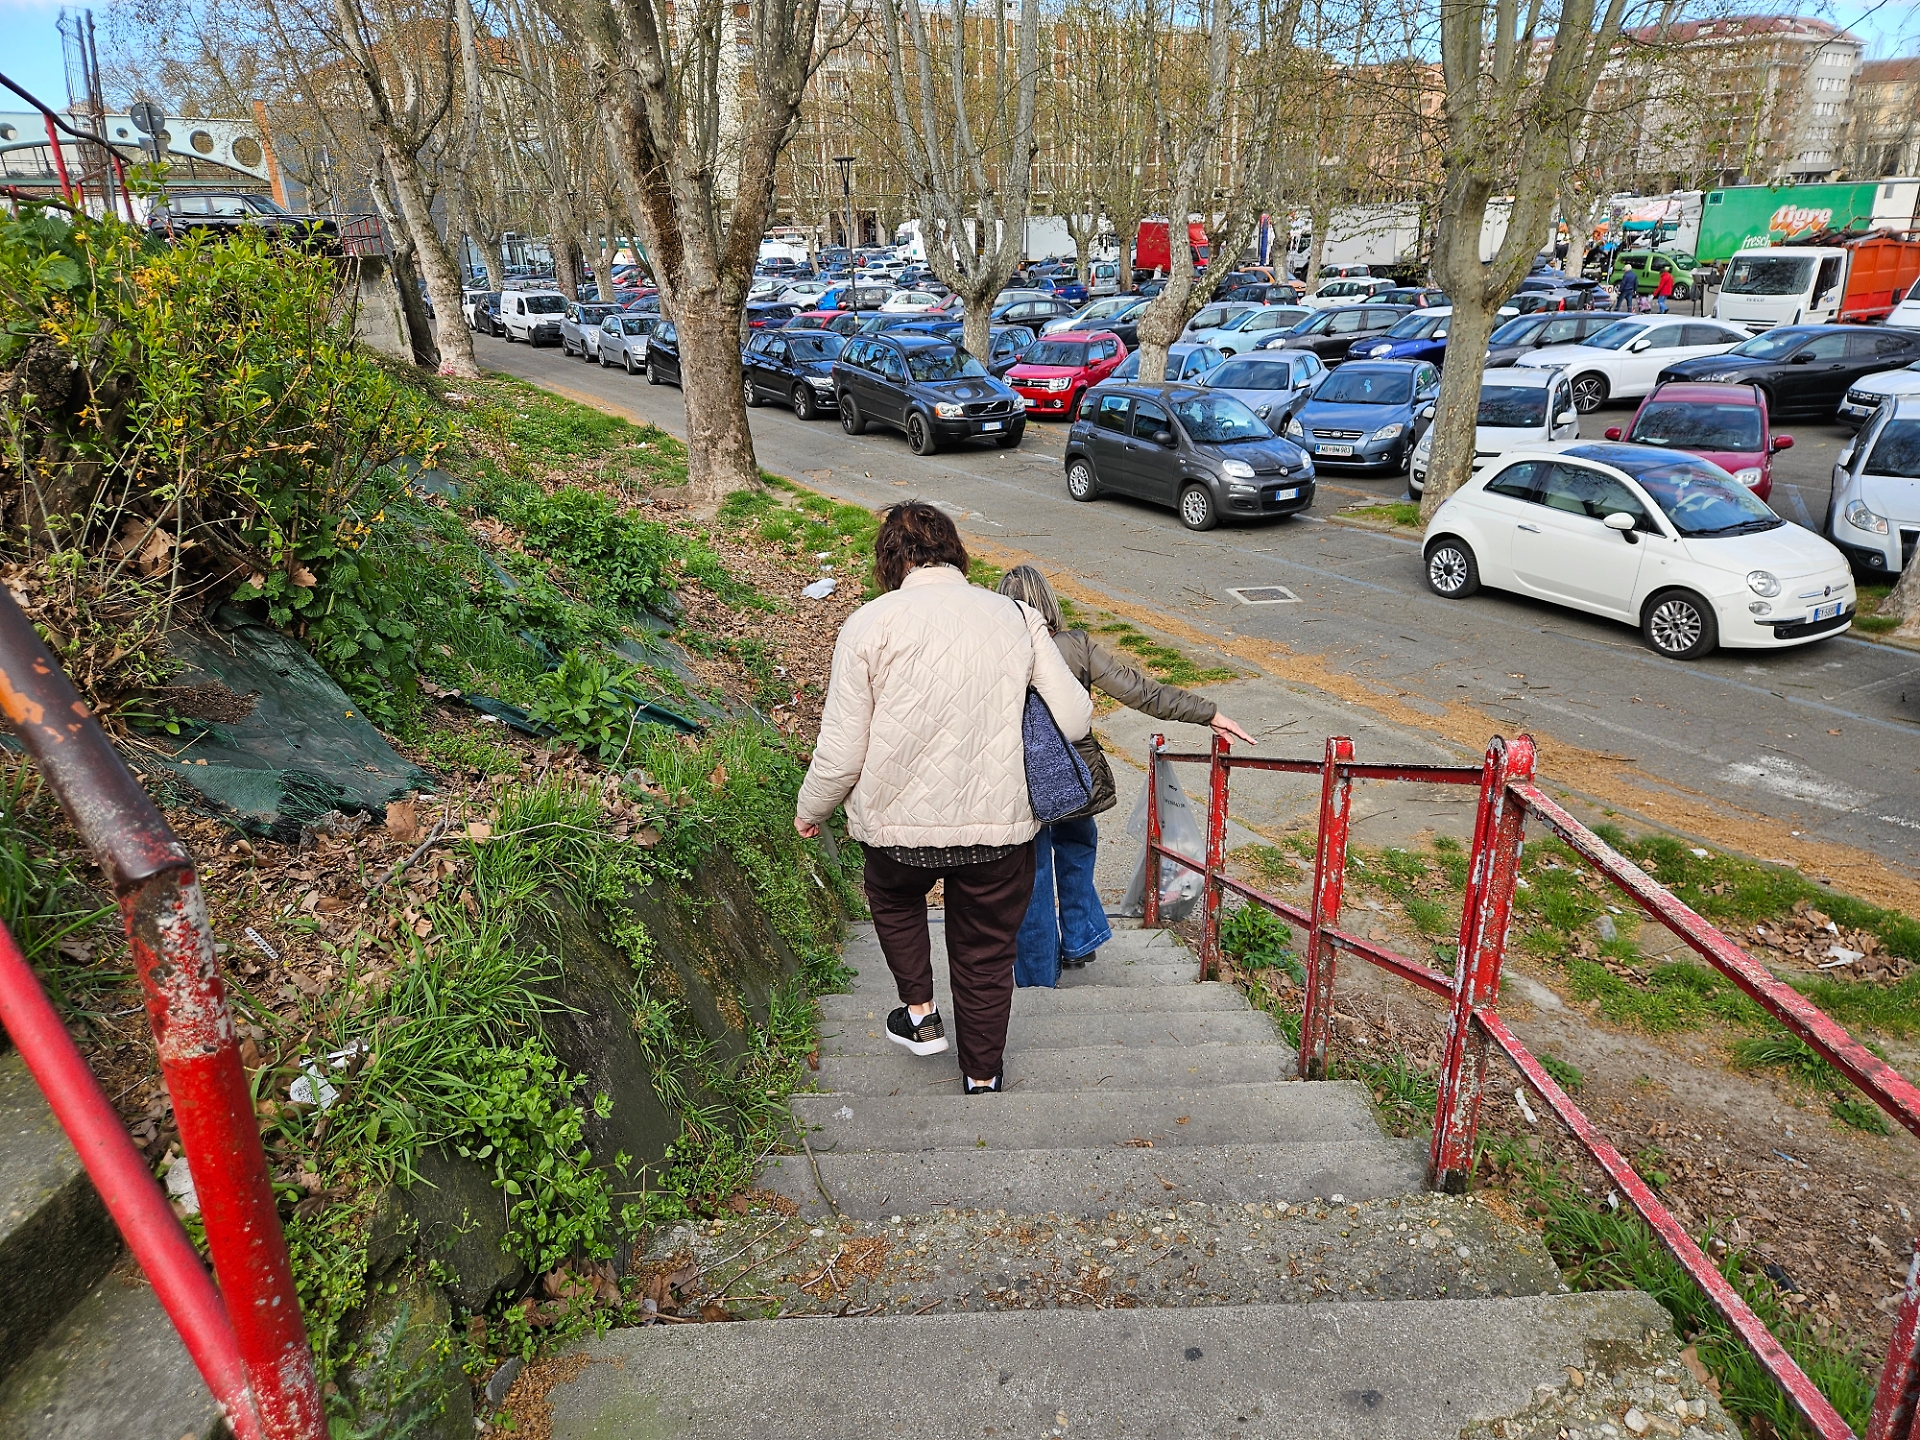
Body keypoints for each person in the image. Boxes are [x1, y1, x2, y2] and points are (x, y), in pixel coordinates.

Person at [795, 504, 1091, 1094]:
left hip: (896, 829)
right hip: (999, 829)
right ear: (955, 551)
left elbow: (842, 749)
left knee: (893, 896)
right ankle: (982, 1073)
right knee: (984, 950)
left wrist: (812, 810)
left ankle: (921, 1011)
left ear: (888, 560)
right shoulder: (1016, 615)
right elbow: (1076, 719)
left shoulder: (867, 624)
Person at [995, 567, 1255, 988]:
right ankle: (1080, 938)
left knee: (1033, 874)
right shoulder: (1075, 646)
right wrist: (1207, 712)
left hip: (1020, 780)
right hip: (1076, 778)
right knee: (1078, 847)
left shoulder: (994, 655)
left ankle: (1037, 976)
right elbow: (1140, 690)